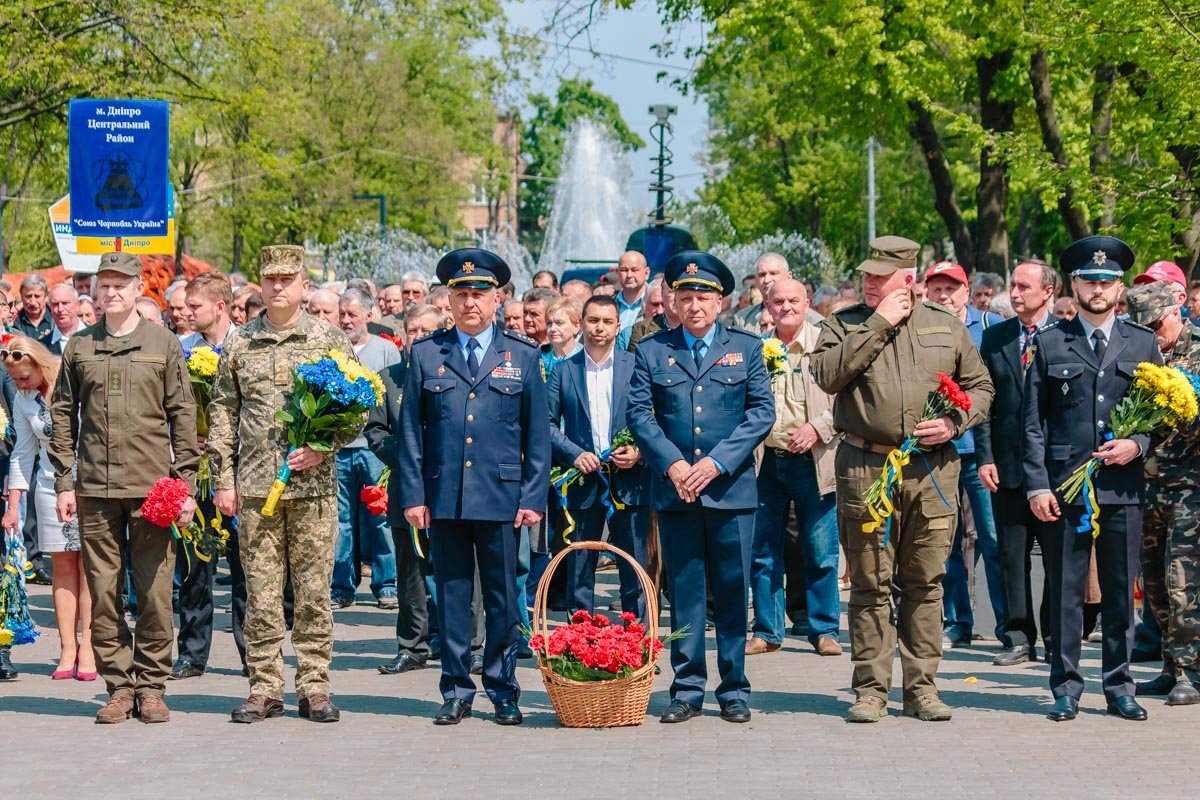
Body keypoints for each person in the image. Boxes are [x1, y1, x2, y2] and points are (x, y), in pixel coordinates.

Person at [810, 235, 993, 723]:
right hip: (866, 466)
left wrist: (956, 423)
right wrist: (878, 324)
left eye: (880, 276)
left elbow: (981, 387)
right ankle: (870, 689)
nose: (869, 282)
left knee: (924, 582)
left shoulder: (945, 325)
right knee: (870, 582)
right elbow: (827, 375)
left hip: (932, 469)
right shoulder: (843, 324)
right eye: (866, 275)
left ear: (908, 279)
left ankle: (922, 689)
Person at [399, 247, 550, 726]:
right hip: (444, 498)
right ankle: (457, 689)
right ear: (448, 300)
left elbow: (538, 437)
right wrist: (414, 496)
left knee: (505, 597)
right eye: (461, 293)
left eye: (479, 294)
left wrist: (531, 498)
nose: (470, 303)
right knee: (453, 596)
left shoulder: (521, 356)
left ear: (498, 299)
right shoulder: (426, 354)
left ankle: (503, 688)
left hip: (502, 499)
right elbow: (410, 434)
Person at [49, 251, 200, 724]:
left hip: (153, 488)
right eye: (103, 285)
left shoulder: (163, 343)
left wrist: (187, 484)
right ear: (93, 292)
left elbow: (183, 415)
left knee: (156, 593)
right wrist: (63, 482)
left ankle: (152, 685)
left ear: (140, 290)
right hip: (95, 487)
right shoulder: (79, 347)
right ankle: (118, 686)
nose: (110, 292)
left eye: (120, 284)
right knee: (104, 592)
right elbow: (61, 415)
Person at [210, 245, 358, 725]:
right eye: (270, 278)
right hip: (254, 490)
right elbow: (222, 413)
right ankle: (264, 688)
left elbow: (357, 413)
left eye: (287, 279)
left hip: (312, 490)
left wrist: (324, 446)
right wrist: (223, 481)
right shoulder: (241, 342)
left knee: (314, 593)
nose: (278, 287)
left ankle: (314, 687)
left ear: (303, 286)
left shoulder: (328, 339)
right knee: (262, 595)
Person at [628, 251, 774, 725]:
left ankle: (733, 688)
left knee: (732, 590)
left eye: (703, 298)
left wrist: (714, 463)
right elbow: (640, 415)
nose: (693, 306)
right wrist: (672, 465)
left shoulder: (747, 348)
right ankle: (688, 688)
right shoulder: (652, 350)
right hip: (676, 492)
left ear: (721, 302)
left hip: (730, 491)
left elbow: (760, 414)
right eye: (685, 296)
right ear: (672, 300)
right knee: (686, 592)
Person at [1022, 235, 1162, 723]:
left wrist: (1137, 444)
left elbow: (1159, 416)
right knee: (1065, 592)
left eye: (1106, 281)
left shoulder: (1143, 343)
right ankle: (1065, 687)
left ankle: (1120, 685)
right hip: (1065, 488)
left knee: (1122, 592)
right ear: (1074, 285)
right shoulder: (1049, 342)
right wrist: (1038, 484)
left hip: (1121, 487)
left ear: (1119, 287)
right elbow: (1032, 424)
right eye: (1089, 280)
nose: (1097, 288)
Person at [748, 278, 842, 657]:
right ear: (767, 307)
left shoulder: (827, 345)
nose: (785, 307)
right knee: (763, 549)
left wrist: (817, 428)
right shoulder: (756, 348)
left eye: (793, 300)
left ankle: (825, 629)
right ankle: (767, 631)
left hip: (813, 460)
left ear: (808, 303)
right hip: (766, 461)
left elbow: (848, 402)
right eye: (777, 302)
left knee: (820, 549)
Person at [547, 295, 649, 617]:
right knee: (580, 570)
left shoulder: (635, 368)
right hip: (582, 482)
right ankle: (580, 647)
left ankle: (639, 647)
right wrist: (574, 454)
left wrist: (639, 452)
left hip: (629, 482)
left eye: (607, 321)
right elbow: (545, 425)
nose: (599, 328)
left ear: (618, 327)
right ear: (581, 324)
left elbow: (654, 419)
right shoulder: (563, 372)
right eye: (593, 320)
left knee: (634, 568)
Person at [976, 261, 1057, 667]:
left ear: (1048, 292)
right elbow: (984, 404)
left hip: (1055, 468)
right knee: (1011, 555)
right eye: (1012, 285)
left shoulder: (1065, 336)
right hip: (1006, 465)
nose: (1015, 292)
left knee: (1059, 560)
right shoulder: (996, 338)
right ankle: (1018, 637)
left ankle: (1057, 637)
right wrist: (985, 456)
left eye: (1024, 286)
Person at [922, 261, 1006, 648]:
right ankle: (958, 620)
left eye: (951, 288)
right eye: (937, 288)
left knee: (991, 539)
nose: (944, 295)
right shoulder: (919, 328)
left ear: (966, 291)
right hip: (938, 451)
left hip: (980, 452)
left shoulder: (989, 327)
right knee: (948, 541)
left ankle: (1007, 624)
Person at [1124, 282, 1200, 705]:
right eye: (1143, 327)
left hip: (1190, 485)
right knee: (1153, 583)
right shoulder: (1137, 352)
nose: (1152, 334)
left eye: (1156, 325)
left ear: (1177, 310)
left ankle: (1192, 670)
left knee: (1182, 583)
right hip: (1147, 484)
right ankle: (1171, 667)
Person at [2, 337, 95, 681]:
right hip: (46, 486)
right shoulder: (24, 399)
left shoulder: (74, 382)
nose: (19, 385)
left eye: (24, 377)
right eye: (13, 380)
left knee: (90, 567)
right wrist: (12, 506)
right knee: (63, 567)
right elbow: (23, 453)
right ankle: (67, 646)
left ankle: (90, 646)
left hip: (89, 484)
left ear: (40, 365)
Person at [170, 271, 237, 681]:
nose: (186, 313)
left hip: (240, 471)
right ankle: (192, 653)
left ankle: (252, 655)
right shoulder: (181, 348)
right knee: (195, 566)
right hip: (195, 472)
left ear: (220, 306)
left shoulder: (246, 345)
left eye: (194, 306)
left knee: (246, 566)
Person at [330, 289, 401, 610]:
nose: (346, 320)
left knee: (380, 519)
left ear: (368, 316)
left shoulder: (386, 350)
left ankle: (386, 584)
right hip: (337, 449)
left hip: (374, 451)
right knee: (341, 522)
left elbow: (396, 399)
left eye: (352, 315)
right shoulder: (331, 349)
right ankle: (341, 585)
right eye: (342, 314)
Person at [735, 252, 790, 328]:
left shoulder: (806, 317)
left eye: (773, 273)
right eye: (762, 275)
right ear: (756, 281)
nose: (767, 280)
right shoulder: (742, 319)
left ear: (788, 277)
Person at [613, 251, 650, 351]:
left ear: (646, 273)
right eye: (624, 270)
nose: (629, 275)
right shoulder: (609, 305)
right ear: (617, 273)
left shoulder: (656, 305)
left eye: (634, 270)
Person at [543, 296, 581, 376]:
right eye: (549, 323)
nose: (553, 328)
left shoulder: (585, 358)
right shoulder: (540, 357)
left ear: (576, 326)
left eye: (559, 323)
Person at [14, 274, 54, 344]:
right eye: (28, 296)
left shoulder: (56, 319)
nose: (33, 302)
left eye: (37, 296)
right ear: (21, 296)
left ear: (46, 296)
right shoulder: (14, 323)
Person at [47, 284, 86, 356]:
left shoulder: (98, 336)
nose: (60, 309)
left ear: (77, 305)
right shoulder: (43, 346)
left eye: (65, 303)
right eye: (55, 304)